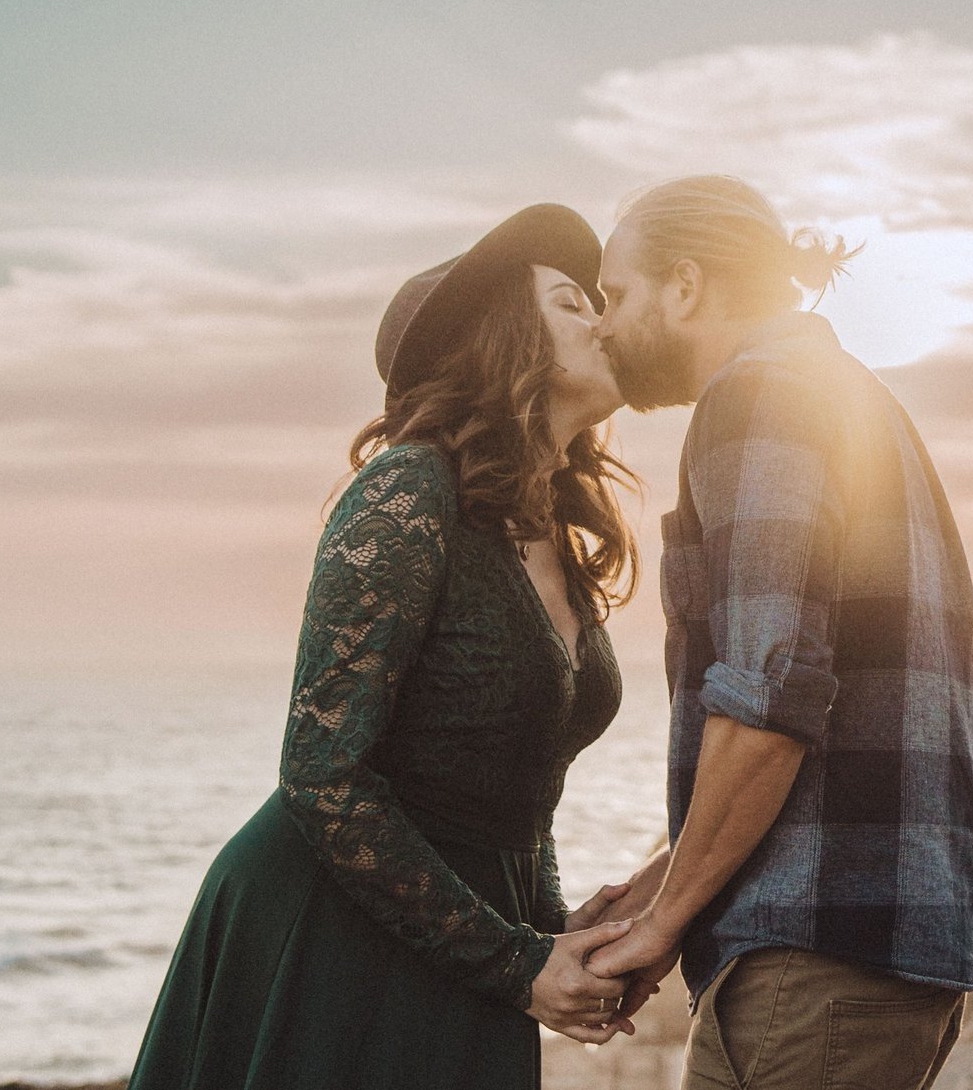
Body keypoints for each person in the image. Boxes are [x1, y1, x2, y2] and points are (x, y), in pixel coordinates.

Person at [130, 204, 643, 1090]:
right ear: (505, 338)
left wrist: (554, 935)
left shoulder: (551, 524)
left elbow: (523, 793)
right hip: (327, 929)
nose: (603, 316)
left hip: (469, 938)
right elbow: (323, 775)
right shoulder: (408, 489)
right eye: (570, 301)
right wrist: (515, 960)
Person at [581, 176, 973, 1090]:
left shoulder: (759, 395)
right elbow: (817, 697)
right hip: (866, 946)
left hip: (812, 954)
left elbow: (771, 694)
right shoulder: (849, 394)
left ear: (684, 285)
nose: (603, 323)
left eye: (616, 294)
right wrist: (658, 885)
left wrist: (664, 921)